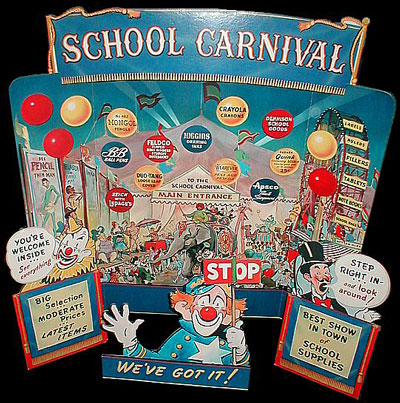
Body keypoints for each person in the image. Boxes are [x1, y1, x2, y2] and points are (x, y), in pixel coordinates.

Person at [103, 276, 250, 366]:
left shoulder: (229, 339)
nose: (209, 311)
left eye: (218, 305)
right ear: (186, 309)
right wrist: (131, 344)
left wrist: (241, 349)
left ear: (228, 314)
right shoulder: (180, 339)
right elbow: (156, 366)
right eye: (203, 303)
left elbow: (238, 371)